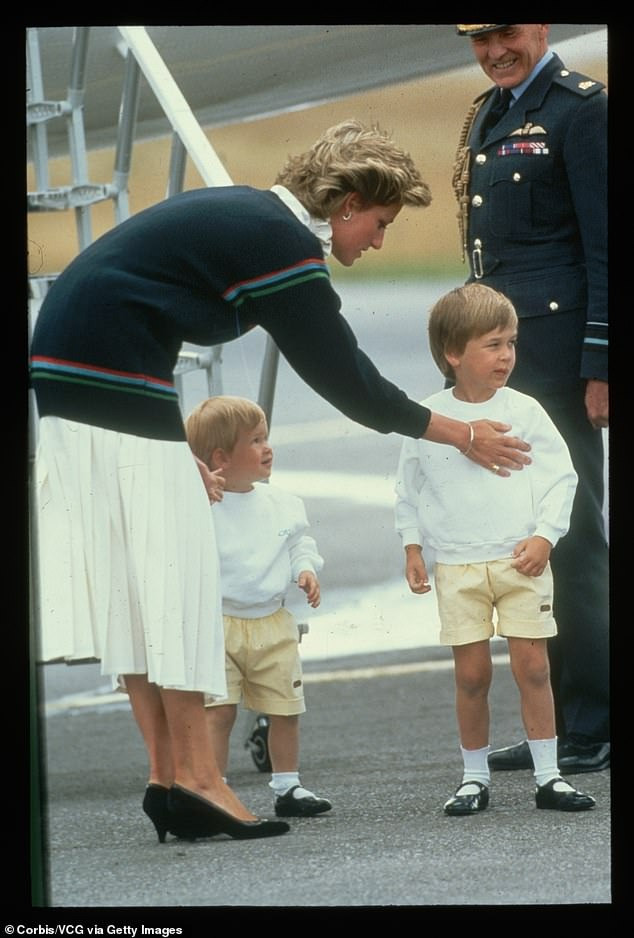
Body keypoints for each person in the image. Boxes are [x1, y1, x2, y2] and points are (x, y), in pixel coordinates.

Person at [30, 118, 532, 846]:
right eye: (382, 224)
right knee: (176, 582)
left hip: (72, 370)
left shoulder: (249, 218)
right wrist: (462, 432)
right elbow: (347, 381)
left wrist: (176, 448)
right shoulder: (283, 243)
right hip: (109, 374)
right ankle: (199, 783)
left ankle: (168, 780)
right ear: (348, 202)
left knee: (140, 592)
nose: (379, 243)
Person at [452, 25, 609, 774]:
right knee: (530, 539)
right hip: (509, 365)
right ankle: (559, 726)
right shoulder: (493, 111)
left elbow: (608, 245)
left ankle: (596, 721)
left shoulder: (581, 111)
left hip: (558, 362)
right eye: (479, 39)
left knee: (572, 538)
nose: (493, 50)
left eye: (505, 33)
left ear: (540, 27)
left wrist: (602, 364)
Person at [395, 283, 595, 814]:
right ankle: (473, 777)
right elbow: (407, 490)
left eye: (511, 342)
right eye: (492, 344)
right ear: (452, 353)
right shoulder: (427, 418)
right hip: (458, 565)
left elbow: (563, 478)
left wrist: (545, 537)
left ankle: (549, 775)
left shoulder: (526, 410)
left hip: (520, 562)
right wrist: (413, 547)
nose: (507, 355)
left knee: (534, 667)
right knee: (472, 675)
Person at [185, 395, 332, 818]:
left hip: (272, 621)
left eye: (265, 437)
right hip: (219, 624)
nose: (267, 448)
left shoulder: (281, 503)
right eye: (255, 441)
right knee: (219, 713)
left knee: (285, 709)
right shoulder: (201, 509)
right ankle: (214, 789)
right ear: (220, 458)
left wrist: (304, 568)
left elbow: (299, 541)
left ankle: (288, 786)